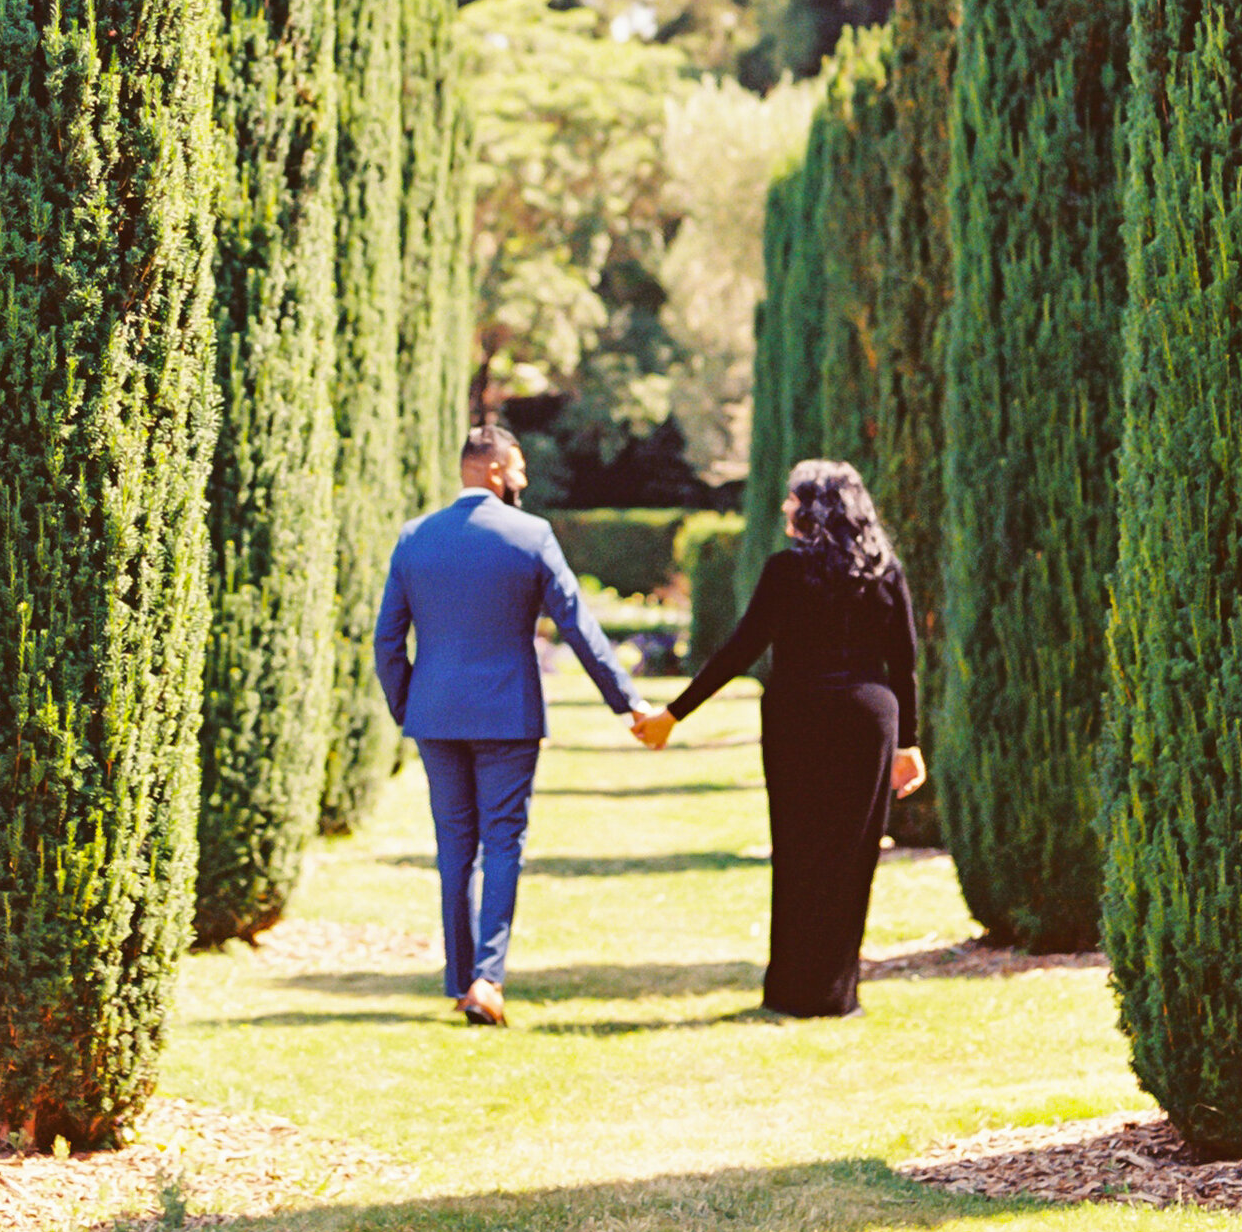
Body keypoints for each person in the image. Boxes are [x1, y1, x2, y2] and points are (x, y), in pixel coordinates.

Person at [374, 422, 657, 1025]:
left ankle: (460, 981)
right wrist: (627, 700)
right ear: (497, 470)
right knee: (502, 841)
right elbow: (577, 625)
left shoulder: (415, 536)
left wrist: (413, 708)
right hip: (508, 716)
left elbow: (387, 642)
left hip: (437, 718)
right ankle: (487, 981)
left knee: (454, 846)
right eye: (520, 467)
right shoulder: (531, 535)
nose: (524, 478)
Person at [637, 458, 923, 1017]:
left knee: (798, 851)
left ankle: (793, 990)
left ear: (812, 510)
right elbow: (904, 663)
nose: (786, 508)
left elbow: (739, 651)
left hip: (800, 717)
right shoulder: (884, 570)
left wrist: (674, 714)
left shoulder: (786, 572)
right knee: (852, 856)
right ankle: (837, 994)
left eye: (794, 499)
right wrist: (909, 744)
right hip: (869, 720)